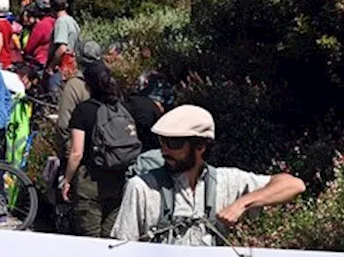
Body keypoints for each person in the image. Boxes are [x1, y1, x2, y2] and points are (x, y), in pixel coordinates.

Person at [110, 105, 306, 245]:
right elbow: (120, 250)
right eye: (162, 141)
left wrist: (241, 204)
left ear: (200, 146)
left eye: (174, 143)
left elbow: (294, 185)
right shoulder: (141, 187)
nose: (164, 150)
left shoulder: (227, 181)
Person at [61, 63, 139, 238]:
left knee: (90, 241)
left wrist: (66, 180)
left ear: (87, 85)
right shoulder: (120, 107)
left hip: (90, 183)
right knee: (110, 238)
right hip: (117, 180)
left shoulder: (83, 111)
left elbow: (76, 153)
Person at [48, 0, 80, 71]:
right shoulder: (72, 21)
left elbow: (62, 49)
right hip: (72, 65)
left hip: (62, 67)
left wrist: (51, 66)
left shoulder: (61, 22)